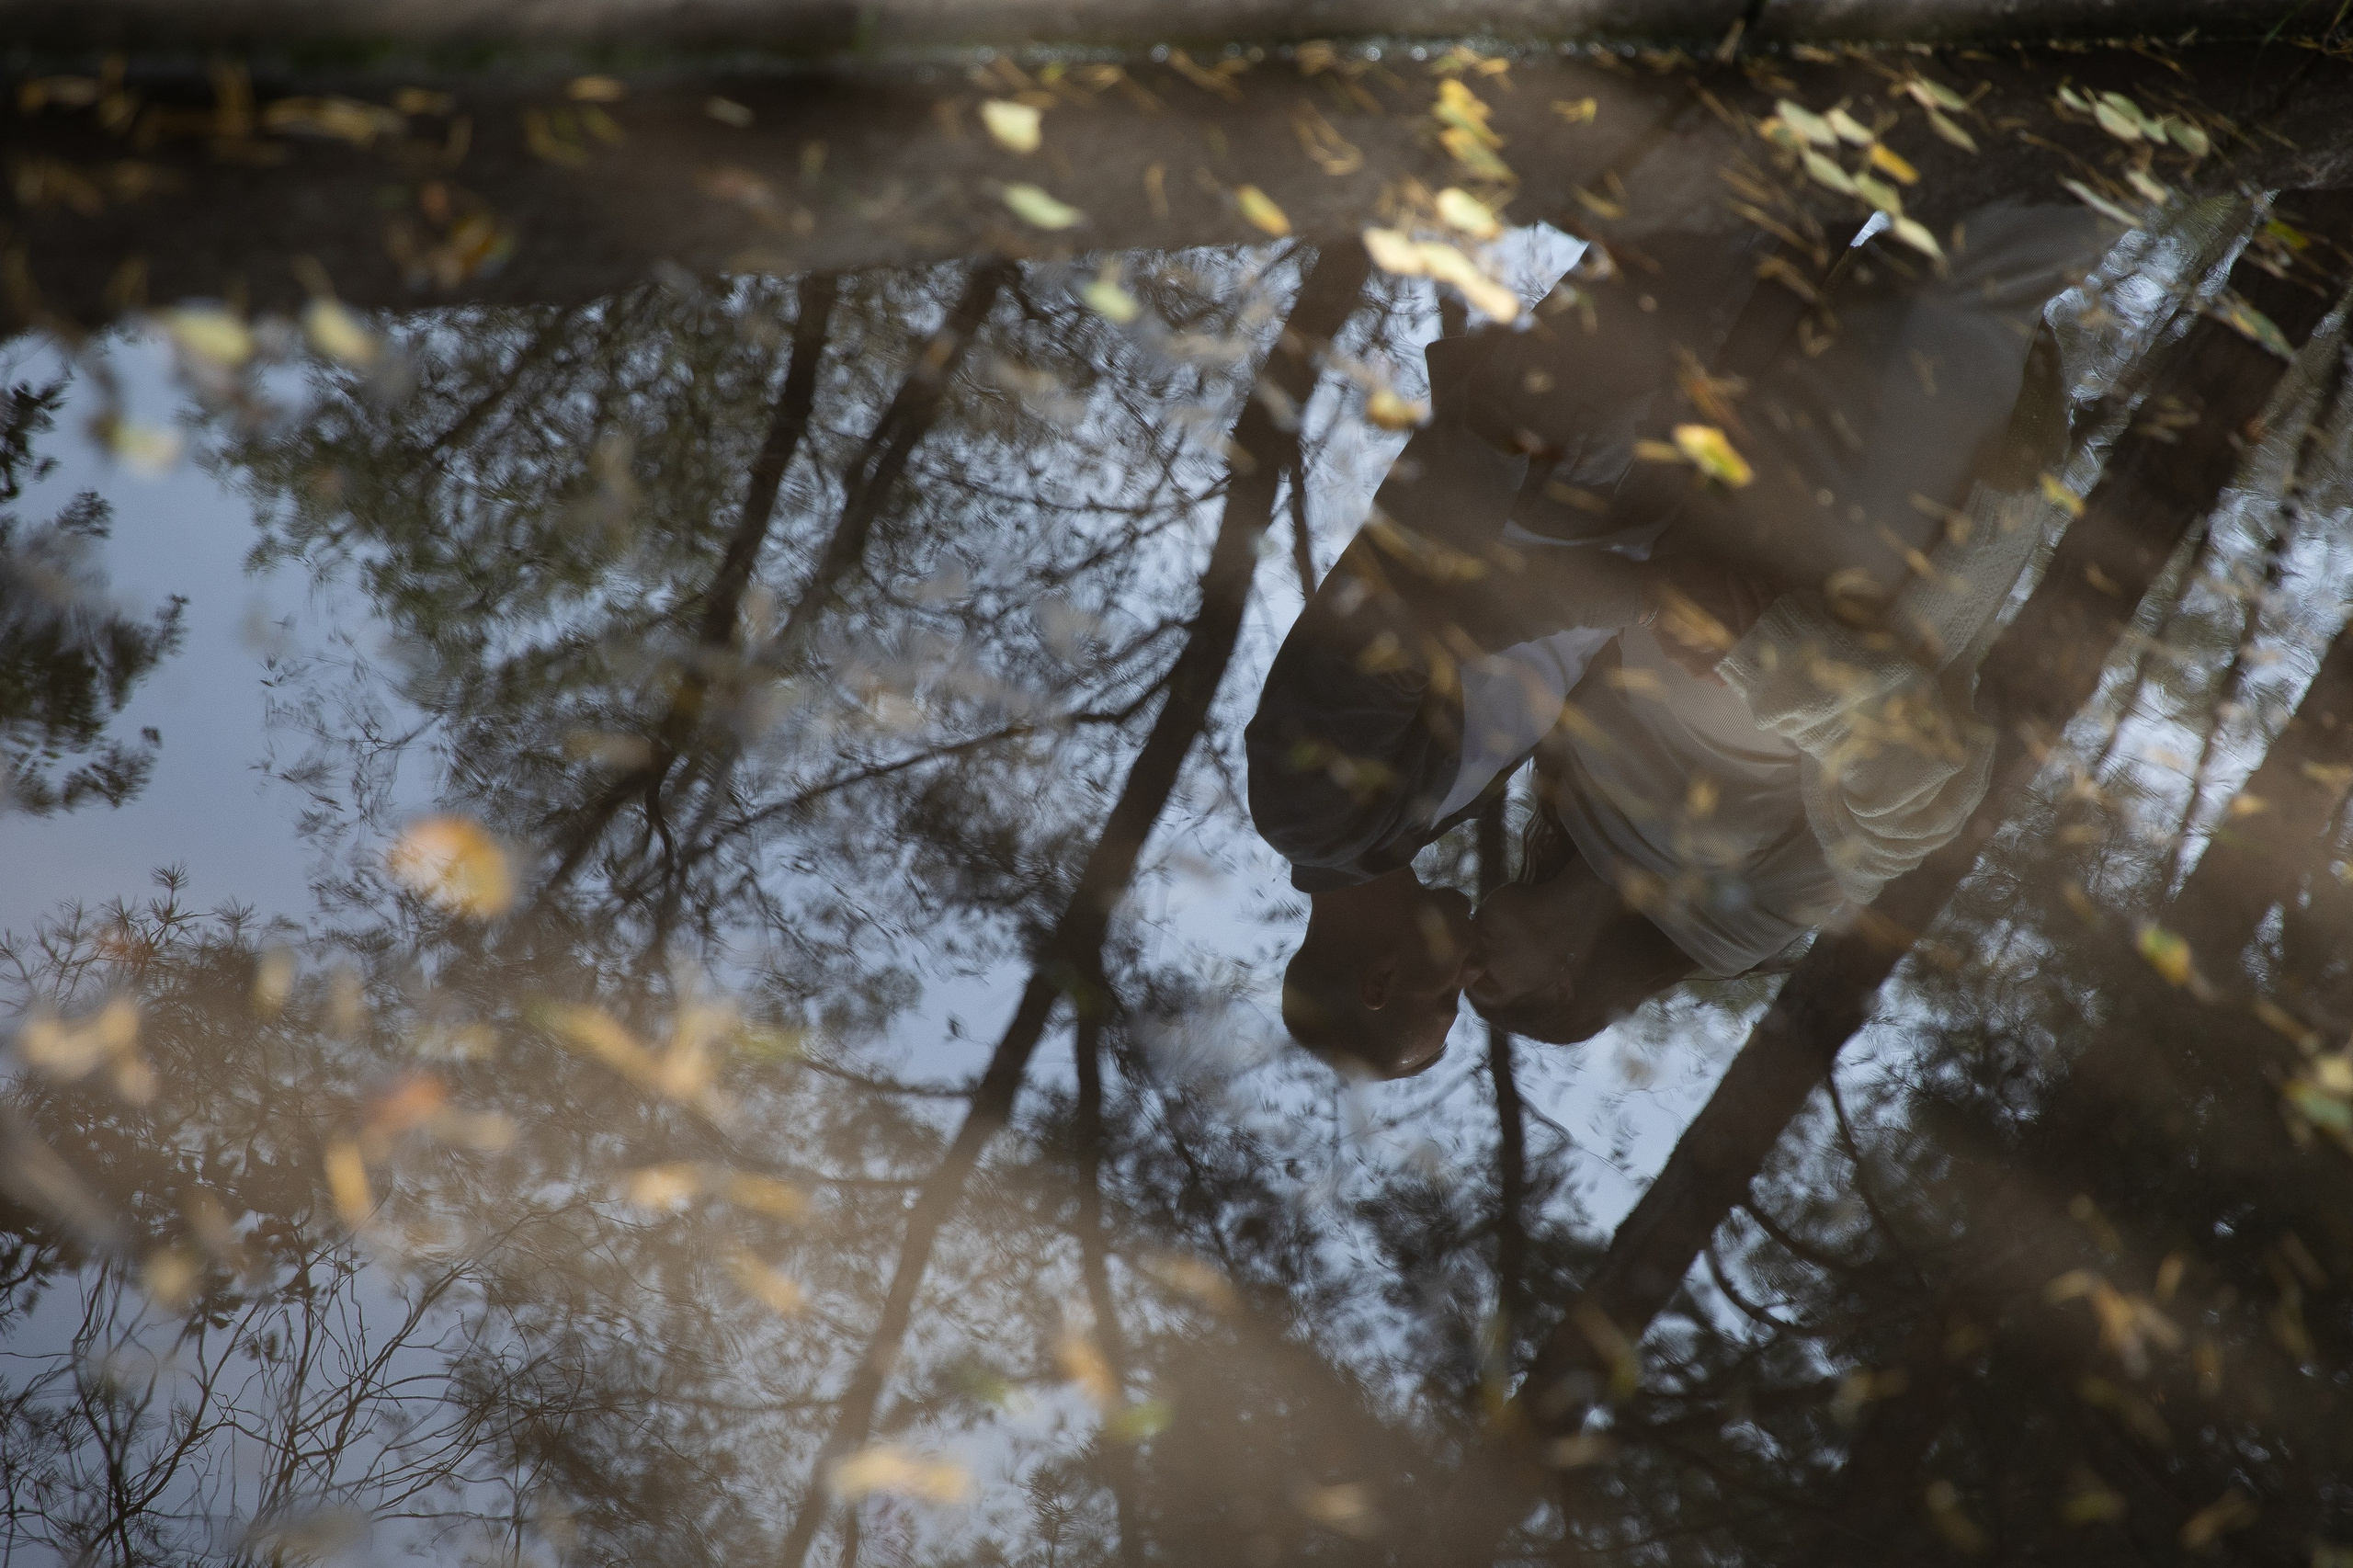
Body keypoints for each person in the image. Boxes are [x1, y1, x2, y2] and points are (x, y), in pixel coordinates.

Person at [1255, 196, 2132, 1073]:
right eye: (1469, 1000)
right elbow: (1912, 805)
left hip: (1573, 434)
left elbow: (1411, 625)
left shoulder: (1312, 816)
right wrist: (1734, 636)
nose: (1462, 980)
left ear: (1379, 979)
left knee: (1777, 191)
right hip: (1736, 496)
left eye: (1443, 999)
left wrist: (1644, 591)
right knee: (1929, 250)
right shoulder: (1462, 825)